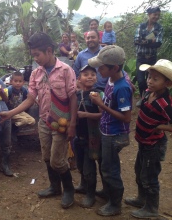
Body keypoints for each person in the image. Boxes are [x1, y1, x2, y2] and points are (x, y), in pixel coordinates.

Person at [0, 32, 77, 209]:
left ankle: (69, 190)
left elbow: (73, 97)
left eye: (37, 55)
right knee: (46, 157)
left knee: (58, 160)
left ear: (49, 51)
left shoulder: (65, 70)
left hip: (61, 123)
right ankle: (55, 187)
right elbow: (30, 99)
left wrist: (73, 123)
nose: (35, 58)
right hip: (44, 121)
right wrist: (10, 113)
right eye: (33, 55)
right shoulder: (35, 73)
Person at [124, 59, 172, 219]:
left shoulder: (165, 104)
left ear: (167, 83)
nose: (150, 81)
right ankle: (141, 198)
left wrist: (159, 127)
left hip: (154, 144)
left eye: (155, 79)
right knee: (139, 171)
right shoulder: (148, 93)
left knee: (150, 176)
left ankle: (151, 208)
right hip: (144, 142)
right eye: (149, 77)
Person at [88, 45, 133, 216]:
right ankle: (108, 193)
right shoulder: (114, 78)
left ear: (114, 68)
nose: (99, 70)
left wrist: (101, 105)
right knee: (107, 165)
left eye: (102, 67)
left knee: (110, 169)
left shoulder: (121, 87)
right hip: (107, 130)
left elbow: (127, 117)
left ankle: (115, 204)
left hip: (115, 134)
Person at [74, 65, 102, 208]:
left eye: (92, 74)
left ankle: (90, 194)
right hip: (78, 137)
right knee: (79, 164)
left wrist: (86, 115)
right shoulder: (77, 95)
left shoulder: (97, 94)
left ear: (96, 78)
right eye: (86, 74)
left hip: (92, 137)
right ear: (79, 79)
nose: (89, 76)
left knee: (89, 167)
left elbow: (104, 115)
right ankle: (83, 185)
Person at [134, 6, 163, 106]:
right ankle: (143, 97)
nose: (156, 17)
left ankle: (148, 98)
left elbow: (158, 43)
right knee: (141, 81)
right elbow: (136, 41)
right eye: (155, 14)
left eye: (158, 15)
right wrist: (151, 39)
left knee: (151, 80)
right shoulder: (141, 26)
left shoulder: (159, 27)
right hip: (141, 58)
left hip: (152, 58)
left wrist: (144, 40)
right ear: (149, 14)